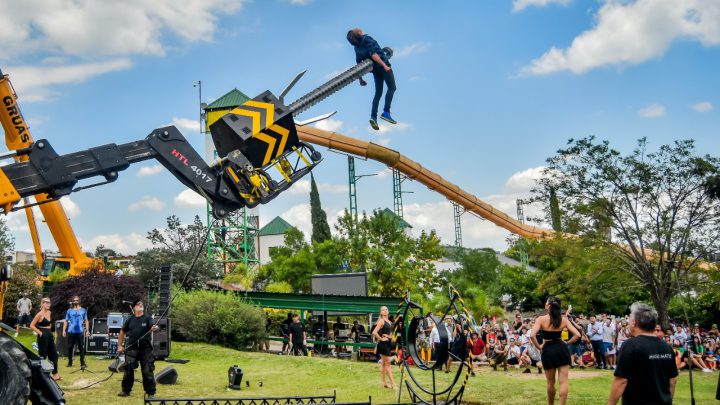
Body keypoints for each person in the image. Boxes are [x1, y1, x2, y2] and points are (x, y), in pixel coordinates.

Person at [607, 303, 678, 405]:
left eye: (629, 320)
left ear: (634, 323)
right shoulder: (667, 347)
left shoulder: (630, 345)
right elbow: (673, 380)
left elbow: (621, 381)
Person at [531, 297, 580, 405]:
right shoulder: (564, 319)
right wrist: (567, 343)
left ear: (549, 306)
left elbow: (532, 335)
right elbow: (578, 335)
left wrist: (539, 347)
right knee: (563, 382)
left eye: (546, 302)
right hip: (561, 348)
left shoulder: (541, 319)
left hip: (548, 349)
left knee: (550, 383)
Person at [346, 28, 397, 131]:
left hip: (375, 70)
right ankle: (386, 112)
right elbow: (373, 54)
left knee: (378, 93)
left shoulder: (357, 47)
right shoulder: (367, 39)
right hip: (383, 66)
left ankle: (373, 117)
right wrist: (384, 65)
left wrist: (360, 79)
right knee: (392, 88)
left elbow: (359, 65)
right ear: (359, 33)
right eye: (358, 29)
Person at [117, 300, 159, 398]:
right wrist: (120, 345)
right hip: (132, 349)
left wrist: (155, 328)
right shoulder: (130, 319)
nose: (140, 305)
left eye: (141, 304)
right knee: (128, 370)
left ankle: (151, 393)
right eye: (137, 304)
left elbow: (154, 327)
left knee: (147, 370)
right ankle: (126, 390)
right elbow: (122, 331)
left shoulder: (148, 318)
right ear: (133, 308)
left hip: (145, 350)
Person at [30, 297, 60, 381]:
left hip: (49, 334)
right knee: (43, 355)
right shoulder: (39, 314)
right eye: (46, 302)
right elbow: (31, 325)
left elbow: (49, 324)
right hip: (42, 334)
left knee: (54, 354)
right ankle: (44, 375)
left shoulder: (49, 312)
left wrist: (51, 334)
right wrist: (40, 333)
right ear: (42, 304)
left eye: (49, 302)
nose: (48, 304)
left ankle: (55, 374)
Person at [372, 306, 397, 389]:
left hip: (388, 344)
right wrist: (381, 339)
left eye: (386, 309)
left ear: (388, 311)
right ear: (381, 313)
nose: (385, 311)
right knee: (388, 364)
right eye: (383, 310)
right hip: (383, 345)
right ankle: (393, 384)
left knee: (383, 364)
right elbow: (374, 332)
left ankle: (384, 383)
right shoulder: (381, 321)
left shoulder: (389, 322)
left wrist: (390, 336)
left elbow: (391, 334)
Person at [63, 295, 89, 368]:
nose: (75, 302)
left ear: (79, 301)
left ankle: (82, 363)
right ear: (72, 301)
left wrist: (87, 330)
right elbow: (66, 321)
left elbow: (86, 321)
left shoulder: (83, 310)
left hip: (80, 331)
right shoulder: (69, 310)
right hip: (71, 331)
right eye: (74, 300)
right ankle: (70, 362)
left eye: (77, 300)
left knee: (81, 347)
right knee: (70, 347)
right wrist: (64, 330)